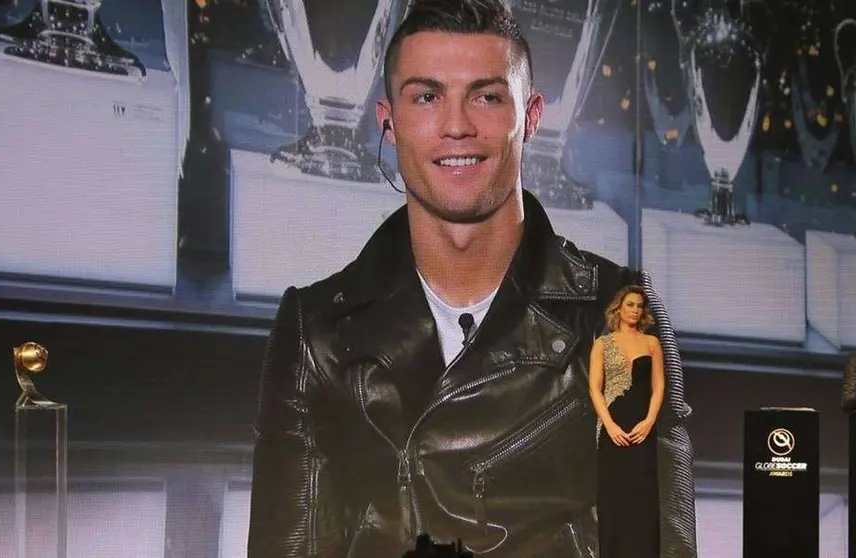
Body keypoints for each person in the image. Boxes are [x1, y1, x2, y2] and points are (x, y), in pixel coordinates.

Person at [247, 1, 697, 556]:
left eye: (486, 96)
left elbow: (658, 547)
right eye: (427, 97)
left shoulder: (616, 315)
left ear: (530, 117)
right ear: (389, 120)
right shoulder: (315, 331)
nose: (457, 126)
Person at [589, 286, 664, 557]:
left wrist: (649, 422)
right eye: (630, 304)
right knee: (614, 498)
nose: (635, 310)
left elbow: (659, 386)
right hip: (613, 427)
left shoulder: (651, 343)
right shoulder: (602, 344)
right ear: (619, 308)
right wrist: (609, 426)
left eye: (640, 306)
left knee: (642, 499)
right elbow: (595, 388)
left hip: (643, 429)